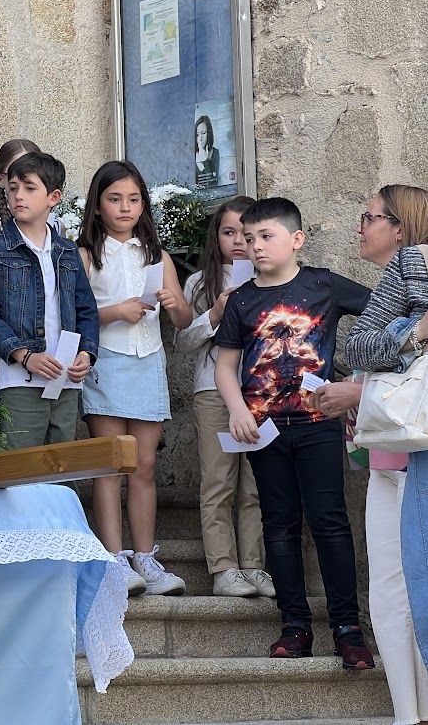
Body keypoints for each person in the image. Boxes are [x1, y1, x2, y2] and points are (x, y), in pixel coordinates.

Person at [216, 197, 374, 668]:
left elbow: (386, 316)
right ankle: (295, 625)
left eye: (266, 236)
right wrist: (237, 409)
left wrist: (361, 380)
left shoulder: (323, 285)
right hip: (263, 431)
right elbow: (225, 365)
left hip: (317, 425)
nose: (255, 246)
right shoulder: (242, 300)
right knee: (279, 525)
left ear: (296, 239)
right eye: (249, 239)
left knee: (330, 522)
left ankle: (347, 628)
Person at [332, 185, 428, 720]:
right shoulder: (399, 276)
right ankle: (407, 713)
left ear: (399, 226)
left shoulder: (415, 265)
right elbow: (359, 347)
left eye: (368, 217)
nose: (360, 226)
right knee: (388, 591)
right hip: (385, 450)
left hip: (417, 451)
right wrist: (411, 334)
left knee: (418, 581)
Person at [78, 160, 192, 597]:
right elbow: (74, 313)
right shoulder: (86, 254)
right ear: (98, 205)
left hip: (148, 361)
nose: (125, 207)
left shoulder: (157, 256)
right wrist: (115, 311)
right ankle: (113, 560)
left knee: (144, 465)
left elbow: (183, 319)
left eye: (133, 199)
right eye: (114, 199)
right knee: (110, 464)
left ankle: (146, 557)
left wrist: (174, 303)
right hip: (105, 361)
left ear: (144, 204)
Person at [172, 195, 273, 599]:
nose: (238, 241)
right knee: (218, 480)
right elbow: (183, 342)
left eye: (246, 234)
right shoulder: (201, 281)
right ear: (216, 237)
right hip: (213, 391)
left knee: (255, 485)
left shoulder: (271, 278)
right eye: (229, 232)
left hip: (261, 392)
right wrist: (214, 314)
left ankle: (254, 565)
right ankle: (223, 568)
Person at [0, 151, 98, 447]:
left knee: (61, 465)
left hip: (66, 379)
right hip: (19, 380)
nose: (18, 196)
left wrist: (86, 354)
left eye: (29, 188)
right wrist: (25, 356)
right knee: (22, 466)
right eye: (13, 188)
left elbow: (87, 310)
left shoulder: (68, 250)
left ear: (54, 197)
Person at [0, 138, 47, 252]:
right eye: (14, 173)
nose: (23, 180)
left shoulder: (55, 225)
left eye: (30, 172)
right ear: (0, 179)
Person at [194, 114, 220, 188]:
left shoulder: (215, 153)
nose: (200, 138)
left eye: (203, 133)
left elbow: (212, 183)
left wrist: (205, 161)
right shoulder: (192, 155)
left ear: (209, 133)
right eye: (197, 135)